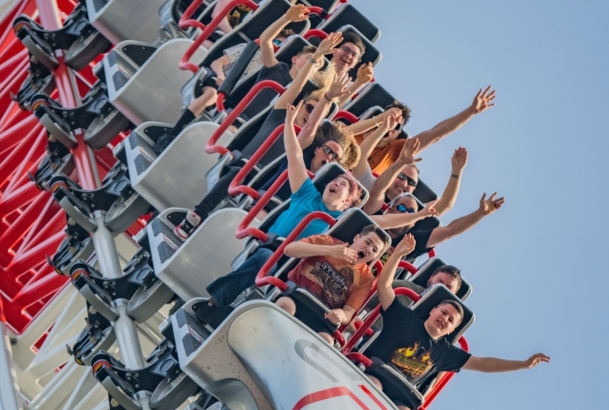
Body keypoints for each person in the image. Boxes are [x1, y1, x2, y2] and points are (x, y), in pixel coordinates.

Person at [172, 35, 344, 241]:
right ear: (299, 105)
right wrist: (316, 56)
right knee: (239, 173)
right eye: (308, 108)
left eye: (314, 113)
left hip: (259, 184)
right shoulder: (279, 114)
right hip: (239, 166)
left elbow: (313, 123)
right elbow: (297, 86)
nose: (309, 114)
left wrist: (327, 99)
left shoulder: (301, 140)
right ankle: (197, 215)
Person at [364, 235, 550, 410]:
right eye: (444, 312)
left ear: (452, 330)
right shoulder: (405, 319)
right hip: (378, 374)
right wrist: (397, 254)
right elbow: (384, 287)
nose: (444, 319)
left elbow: (483, 364)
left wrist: (523, 364)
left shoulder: (444, 352)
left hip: (401, 396)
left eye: (451, 319)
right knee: (373, 387)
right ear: (432, 311)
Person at [199, 107, 366, 314]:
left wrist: (418, 216)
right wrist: (289, 123)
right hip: (274, 249)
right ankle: (213, 304)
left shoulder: (341, 222)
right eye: (335, 181)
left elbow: (376, 227)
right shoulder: (307, 193)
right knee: (263, 261)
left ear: (348, 201)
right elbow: (295, 155)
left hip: (299, 267)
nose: (337, 184)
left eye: (344, 185)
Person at [275, 225, 390, 343]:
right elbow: (289, 250)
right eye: (367, 242)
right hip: (297, 295)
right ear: (356, 238)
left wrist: (341, 314)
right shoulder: (328, 242)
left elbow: (349, 312)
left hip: (322, 316)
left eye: (374, 250)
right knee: (286, 305)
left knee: (326, 341)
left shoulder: (365, 278)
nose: (369, 249)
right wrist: (329, 250)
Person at [358, 87, 497, 180]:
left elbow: (436, 134)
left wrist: (471, 111)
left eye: (397, 125)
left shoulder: (395, 151)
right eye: (389, 119)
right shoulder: (355, 131)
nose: (390, 126)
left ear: (398, 133)